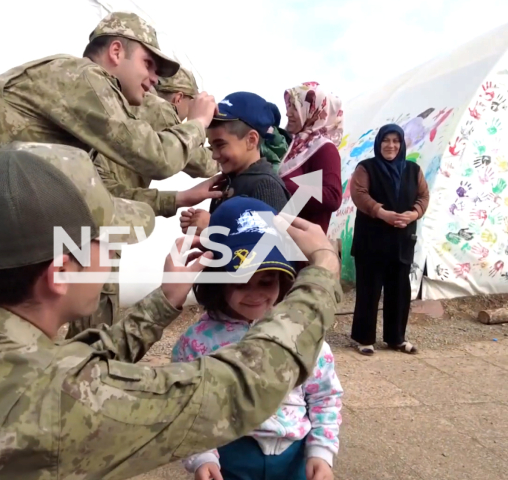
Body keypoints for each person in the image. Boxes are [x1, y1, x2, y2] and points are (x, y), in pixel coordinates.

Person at [0, 146, 343, 479]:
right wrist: (321, 270)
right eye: (104, 239)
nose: (112, 254)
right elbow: (241, 387)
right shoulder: (60, 404)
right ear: (62, 269)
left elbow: (65, 365)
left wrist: (164, 300)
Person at [0, 11, 217, 298]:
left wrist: (176, 198)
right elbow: (157, 159)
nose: (155, 80)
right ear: (117, 51)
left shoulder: (78, 88)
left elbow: (96, 191)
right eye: (149, 64)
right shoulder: (82, 79)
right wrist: (200, 122)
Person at [173, 197, 343, 480]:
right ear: (218, 278)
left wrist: (322, 451)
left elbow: (325, 395)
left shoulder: (302, 331)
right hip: (230, 457)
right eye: (241, 281)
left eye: (266, 281)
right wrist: (201, 457)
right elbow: (187, 408)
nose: (255, 294)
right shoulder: (195, 344)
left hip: (295, 458)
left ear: (283, 278)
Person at [93, 66, 219, 220]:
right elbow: (203, 164)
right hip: (103, 203)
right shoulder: (161, 109)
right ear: (178, 98)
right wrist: (208, 129)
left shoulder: (129, 101)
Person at [349, 123, 430, 356]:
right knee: (369, 289)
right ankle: (364, 338)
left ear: (402, 144)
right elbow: (359, 194)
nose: (391, 145)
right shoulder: (366, 168)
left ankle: (396, 338)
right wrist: (380, 212)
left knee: (399, 290)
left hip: (402, 239)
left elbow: (424, 195)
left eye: (396, 141)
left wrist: (413, 213)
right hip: (371, 240)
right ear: (379, 143)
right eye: (386, 140)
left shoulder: (413, 170)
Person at [180, 92, 291, 236]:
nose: (214, 155)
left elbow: (267, 248)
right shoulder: (229, 182)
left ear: (251, 140)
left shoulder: (265, 186)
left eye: (220, 145)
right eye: (212, 146)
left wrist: (211, 228)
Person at [278, 82, 343, 235]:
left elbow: (332, 197)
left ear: (314, 110)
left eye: (295, 107)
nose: (288, 113)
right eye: (289, 106)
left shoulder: (325, 149)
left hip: (300, 248)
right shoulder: (295, 145)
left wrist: (279, 185)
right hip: (282, 238)